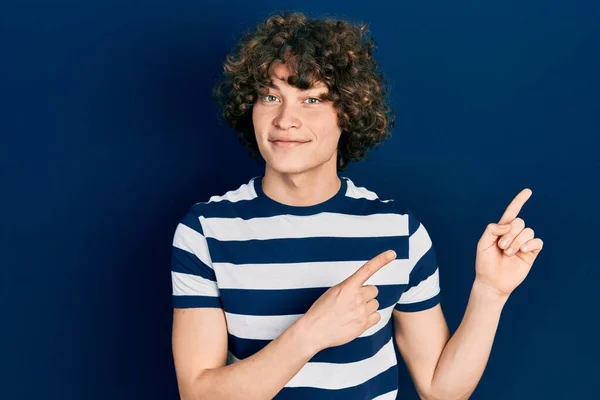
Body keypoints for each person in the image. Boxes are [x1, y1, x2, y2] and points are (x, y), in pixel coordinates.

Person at [170, 12, 544, 400]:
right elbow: (200, 395)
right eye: (270, 97)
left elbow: (442, 390)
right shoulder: (206, 229)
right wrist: (312, 332)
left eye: (311, 99)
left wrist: (489, 292)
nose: (285, 119)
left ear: (347, 112)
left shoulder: (399, 231)